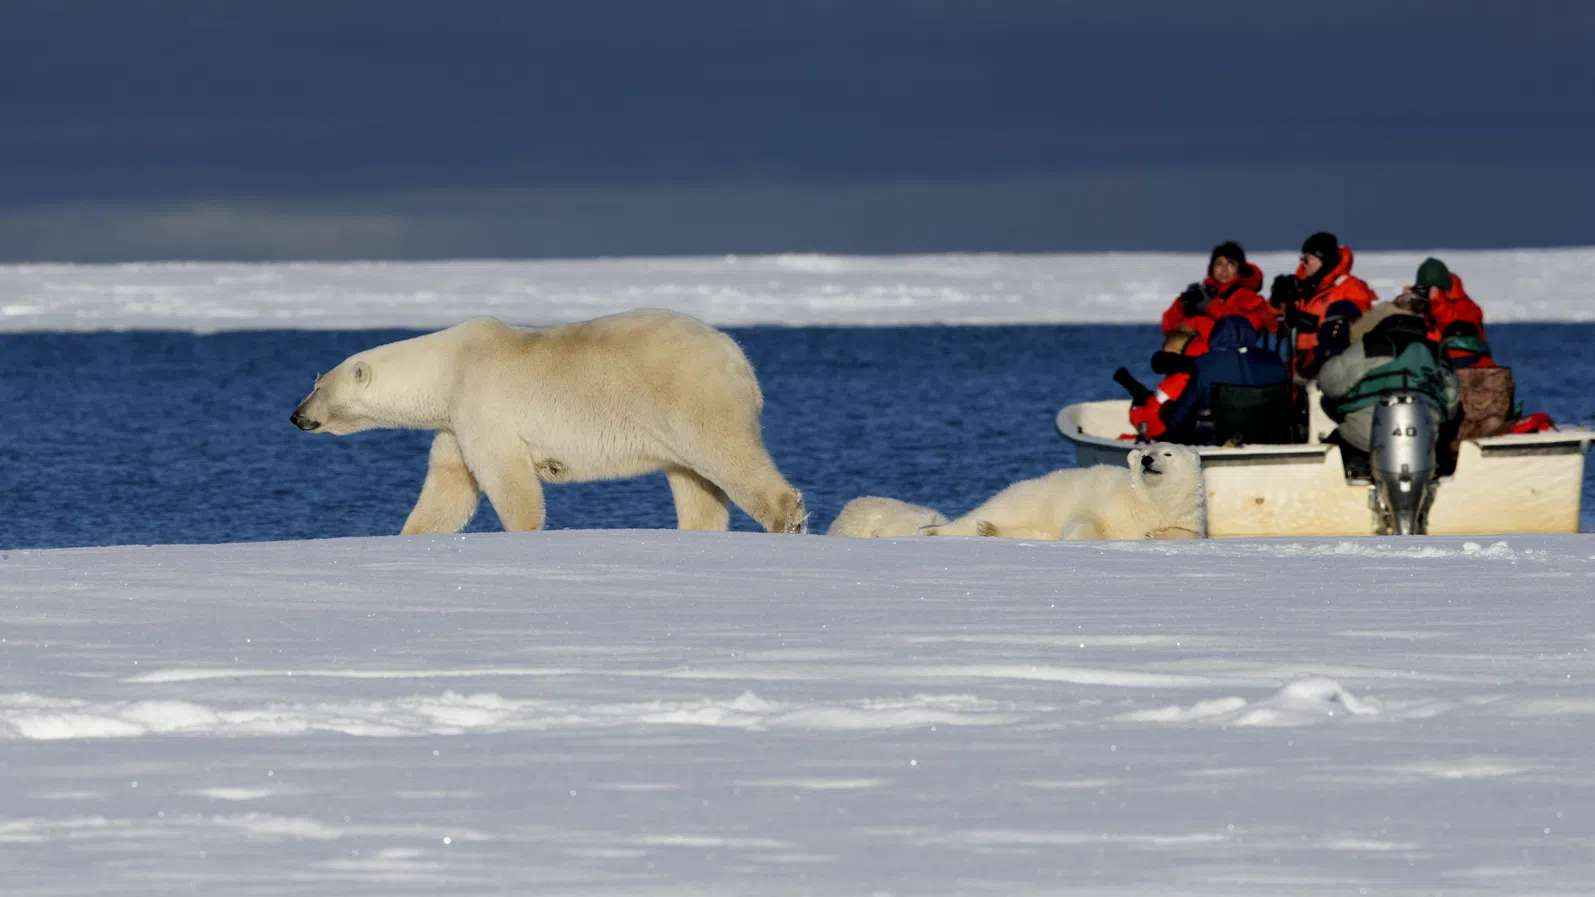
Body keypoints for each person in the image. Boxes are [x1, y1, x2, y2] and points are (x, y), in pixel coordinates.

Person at [1316, 303, 1460, 458]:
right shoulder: (1437, 352)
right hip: (1423, 440)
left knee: (1329, 454)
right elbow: (1451, 406)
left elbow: (1330, 383)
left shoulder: (1369, 344)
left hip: (1365, 438)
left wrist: (1335, 350)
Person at [1155, 315, 1289, 445]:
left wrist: (1167, 432)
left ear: (1216, 336)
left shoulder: (1205, 364)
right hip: (1267, 440)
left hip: (1221, 443)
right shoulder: (1274, 360)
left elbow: (1181, 413)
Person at [1268, 231, 1378, 366]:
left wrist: (1314, 323)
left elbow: (1360, 325)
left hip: (1333, 364)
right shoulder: (1300, 289)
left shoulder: (1350, 288)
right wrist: (1275, 304)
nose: (1303, 264)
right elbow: (1272, 328)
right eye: (1301, 259)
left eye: (1307, 259)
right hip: (1298, 364)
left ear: (1324, 260)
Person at [1161, 241, 1278, 345]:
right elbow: (1168, 328)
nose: (1224, 269)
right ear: (1212, 268)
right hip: (1200, 361)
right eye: (1219, 264)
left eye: (1230, 264)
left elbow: (1245, 329)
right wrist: (1181, 306)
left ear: (1239, 269)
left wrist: (1211, 307)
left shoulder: (1251, 300)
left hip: (1235, 359)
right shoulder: (1203, 294)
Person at [1405, 257, 1496, 368]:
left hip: (1471, 371)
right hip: (1436, 368)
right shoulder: (1425, 307)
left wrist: (1437, 302)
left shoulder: (1467, 307)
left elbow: (1457, 331)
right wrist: (1406, 304)